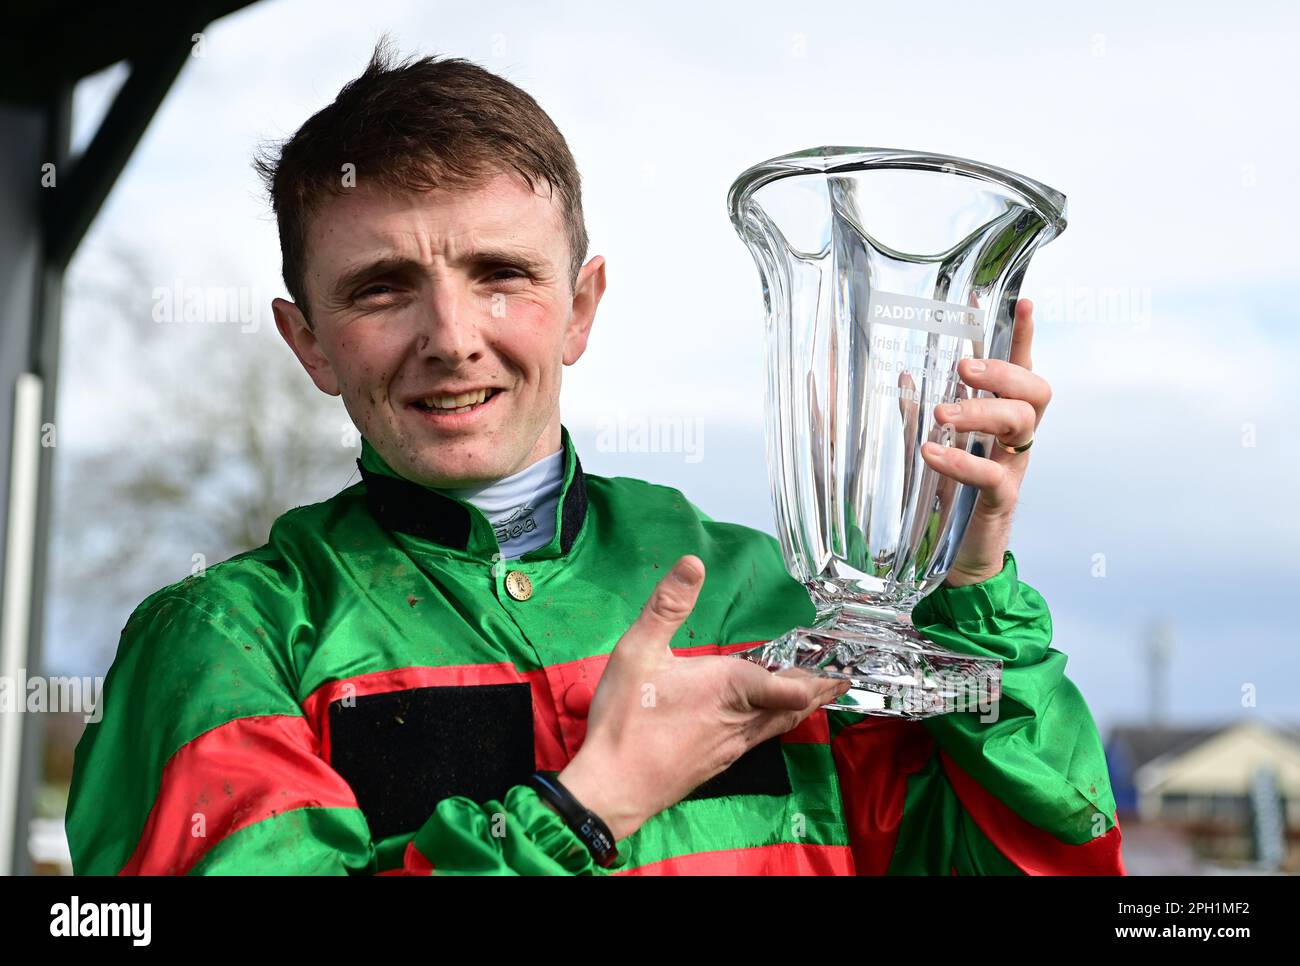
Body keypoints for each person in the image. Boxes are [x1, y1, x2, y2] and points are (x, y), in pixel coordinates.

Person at [65, 39, 1124, 875]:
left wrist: (965, 590)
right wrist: (591, 804)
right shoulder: (222, 643)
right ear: (308, 343)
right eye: (382, 287)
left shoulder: (772, 600)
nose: (452, 337)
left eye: (500, 274)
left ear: (580, 308)